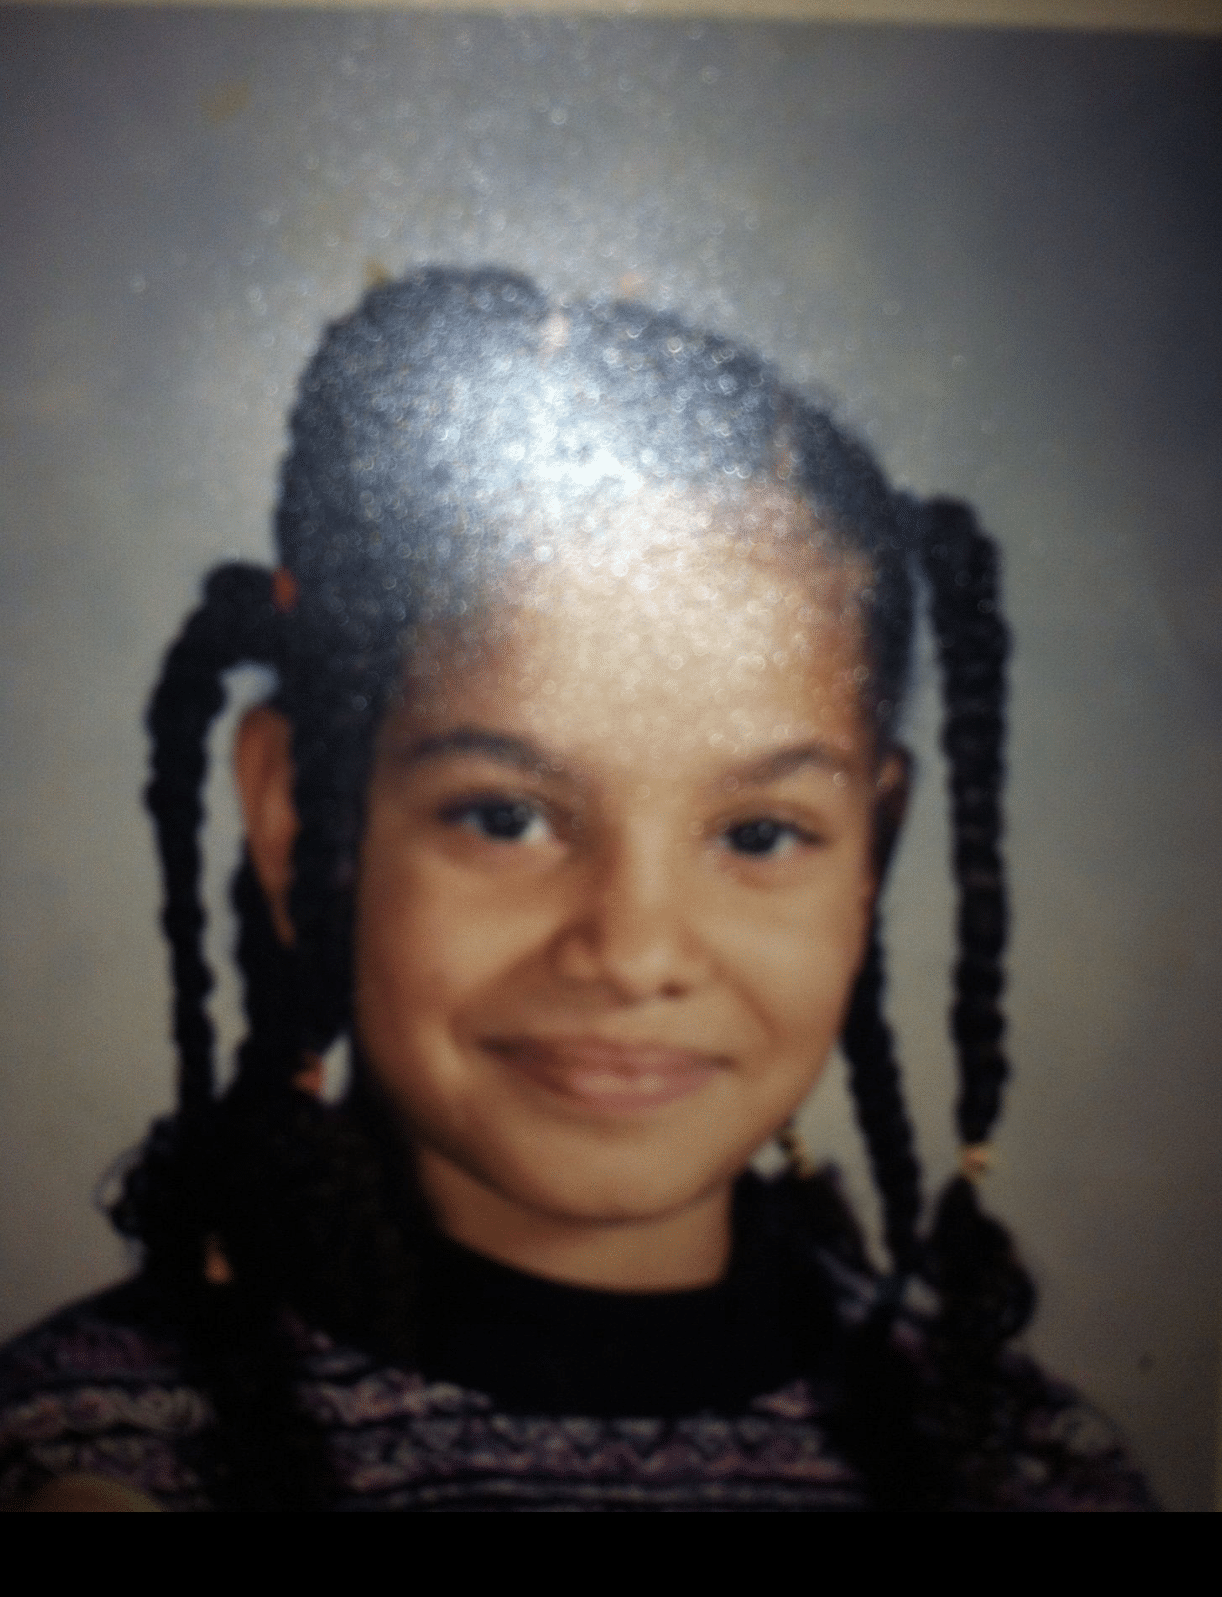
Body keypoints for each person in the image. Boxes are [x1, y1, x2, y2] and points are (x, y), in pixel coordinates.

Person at [0, 267, 1152, 1512]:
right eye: (507, 817)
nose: (635, 947)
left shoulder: (1030, 1470)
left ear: (873, 850)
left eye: (760, 832)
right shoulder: (92, 1457)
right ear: (295, 821)